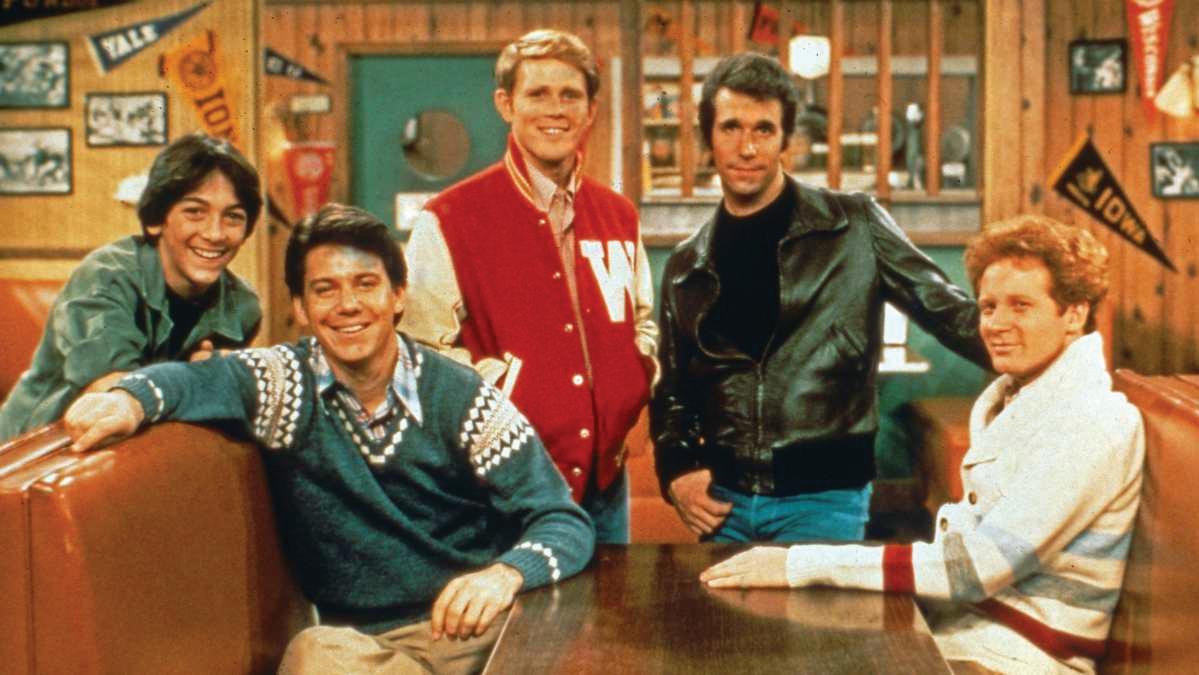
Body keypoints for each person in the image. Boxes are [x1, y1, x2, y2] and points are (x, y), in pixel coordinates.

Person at [63, 204, 595, 675]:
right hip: (367, 651)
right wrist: (129, 400)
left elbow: (562, 518)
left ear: (398, 296)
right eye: (325, 289)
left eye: (365, 284)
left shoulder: (461, 396)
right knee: (315, 656)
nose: (348, 305)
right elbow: (197, 380)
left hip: (476, 631)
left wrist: (504, 575)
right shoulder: (281, 384)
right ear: (299, 307)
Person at [701, 215, 1144, 675]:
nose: (996, 324)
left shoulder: (1092, 421)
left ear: (1074, 314)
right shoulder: (1022, 401)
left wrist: (799, 565)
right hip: (973, 633)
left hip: (1024, 657)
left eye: (1021, 305)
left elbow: (975, 568)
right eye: (988, 307)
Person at [651, 52, 989, 543]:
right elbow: (672, 389)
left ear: (786, 139)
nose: (747, 147)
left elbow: (946, 309)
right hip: (724, 505)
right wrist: (676, 468)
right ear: (708, 137)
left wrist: (1049, 360)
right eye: (731, 128)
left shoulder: (854, 225)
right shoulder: (688, 265)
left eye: (764, 129)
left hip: (824, 500)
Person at [400, 29, 657, 544]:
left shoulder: (618, 214)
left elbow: (642, 321)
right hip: (503, 488)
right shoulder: (449, 218)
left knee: (615, 599)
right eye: (538, 94)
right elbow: (419, 350)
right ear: (505, 104)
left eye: (570, 96)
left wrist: (633, 375)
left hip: (605, 485)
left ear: (590, 110)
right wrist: (500, 392)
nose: (555, 110)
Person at [0, 133, 262, 442]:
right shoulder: (104, 276)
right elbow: (111, 396)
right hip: (30, 450)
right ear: (156, 220)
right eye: (194, 212)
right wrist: (206, 379)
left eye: (233, 217)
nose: (215, 234)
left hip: (141, 448)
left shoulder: (242, 306)